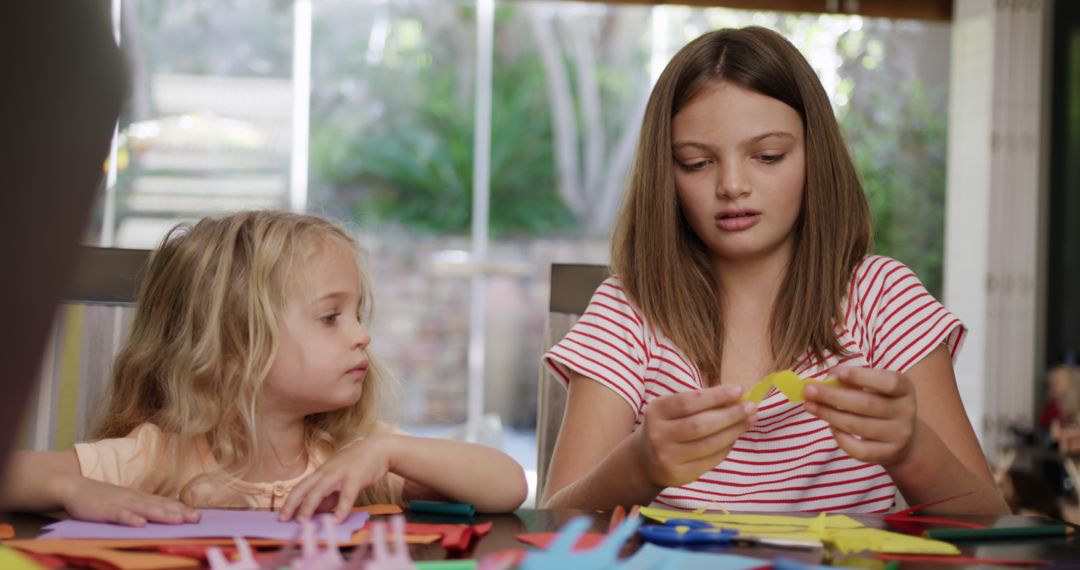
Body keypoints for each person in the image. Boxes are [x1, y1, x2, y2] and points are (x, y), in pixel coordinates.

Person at [541, 26, 1007, 515]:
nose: (733, 185)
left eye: (767, 156)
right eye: (697, 163)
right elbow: (552, 523)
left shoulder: (882, 298)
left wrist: (911, 447)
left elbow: (991, 525)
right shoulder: (627, 311)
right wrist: (639, 465)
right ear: (666, 175)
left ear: (815, 157)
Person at [0, 211, 527, 526]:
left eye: (358, 314)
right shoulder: (159, 455)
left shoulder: (353, 453)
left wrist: (389, 450)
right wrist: (74, 489)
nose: (362, 334)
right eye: (330, 317)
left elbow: (508, 487)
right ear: (232, 350)